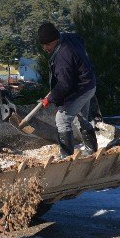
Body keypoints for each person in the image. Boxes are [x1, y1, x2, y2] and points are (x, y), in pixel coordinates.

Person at [38, 22, 98, 158]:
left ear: (56, 39)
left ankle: (66, 156)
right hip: (88, 83)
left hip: (81, 88)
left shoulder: (62, 58)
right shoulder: (69, 37)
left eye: (48, 45)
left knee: (62, 119)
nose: (45, 48)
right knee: (82, 117)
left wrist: (50, 98)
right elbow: (81, 41)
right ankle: (92, 149)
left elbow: (64, 85)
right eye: (43, 45)